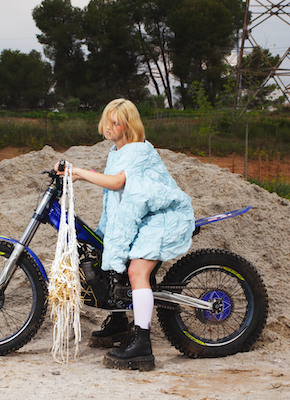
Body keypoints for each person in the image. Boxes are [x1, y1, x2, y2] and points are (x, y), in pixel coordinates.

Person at [56, 98, 194, 371]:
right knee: (104, 252)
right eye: (106, 121)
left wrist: (80, 173)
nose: (108, 127)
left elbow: (118, 182)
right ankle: (119, 322)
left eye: (115, 123)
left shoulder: (138, 150)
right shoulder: (116, 151)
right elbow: (117, 193)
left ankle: (143, 345)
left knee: (136, 272)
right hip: (144, 216)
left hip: (162, 217)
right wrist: (78, 175)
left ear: (128, 126)